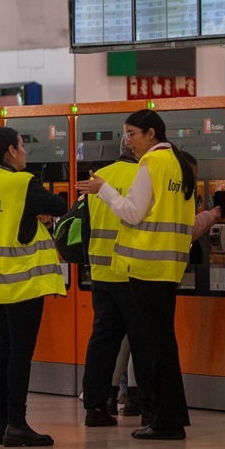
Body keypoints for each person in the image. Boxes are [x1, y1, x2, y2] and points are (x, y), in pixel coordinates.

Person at [75, 110, 221, 442]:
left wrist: (104, 190)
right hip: (170, 267)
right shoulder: (179, 165)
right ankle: (169, 416)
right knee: (163, 345)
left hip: (144, 267)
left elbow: (132, 211)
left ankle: (165, 421)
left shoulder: (151, 164)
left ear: (150, 134)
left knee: (156, 347)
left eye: (132, 134)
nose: (127, 141)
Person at [0, 126, 68, 448]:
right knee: (20, 354)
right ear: (11, 151)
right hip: (22, 281)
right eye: (23, 144)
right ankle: (17, 423)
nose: (25, 151)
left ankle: (0, 424)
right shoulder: (22, 182)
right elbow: (59, 205)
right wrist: (43, 213)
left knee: (1, 349)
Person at [77, 145, 140, 427]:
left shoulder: (99, 176)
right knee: (143, 344)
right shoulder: (143, 175)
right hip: (133, 273)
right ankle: (150, 408)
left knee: (102, 343)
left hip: (101, 274)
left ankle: (95, 407)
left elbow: (87, 226)